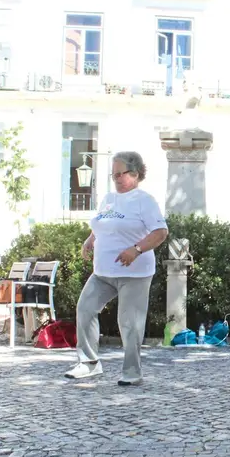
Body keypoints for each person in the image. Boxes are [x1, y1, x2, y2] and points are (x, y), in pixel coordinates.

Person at [65, 152, 168, 385]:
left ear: (136, 174)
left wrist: (136, 249)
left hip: (134, 273)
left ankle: (132, 373)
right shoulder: (109, 198)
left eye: (121, 174)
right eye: (114, 174)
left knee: (129, 322)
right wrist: (90, 239)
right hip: (103, 271)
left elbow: (161, 233)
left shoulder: (144, 200)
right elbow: (104, 222)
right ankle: (89, 364)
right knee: (85, 309)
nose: (117, 179)